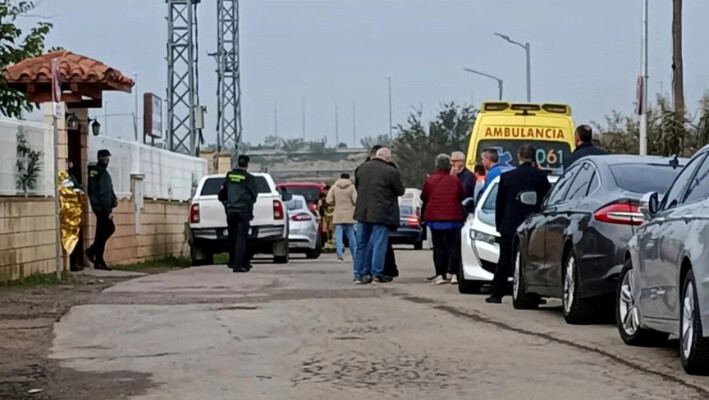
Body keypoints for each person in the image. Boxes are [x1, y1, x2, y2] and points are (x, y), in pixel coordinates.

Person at [488, 145, 552, 304]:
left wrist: (500, 226)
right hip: (533, 226)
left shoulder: (508, 177)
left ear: (519, 156)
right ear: (534, 157)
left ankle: (496, 294)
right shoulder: (541, 177)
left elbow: (500, 204)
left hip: (510, 225)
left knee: (504, 260)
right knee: (532, 260)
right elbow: (546, 202)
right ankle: (534, 294)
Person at [353, 147, 405, 284]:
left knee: (361, 244)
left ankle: (358, 274)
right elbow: (400, 191)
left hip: (363, 212)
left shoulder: (361, 168)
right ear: (387, 158)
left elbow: (357, 187)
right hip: (382, 213)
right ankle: (377, 273)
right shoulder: (391, 171)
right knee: (378, 244)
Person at [421, 154, 467, 285]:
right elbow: (462, 195)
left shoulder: (430, 180)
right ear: (449, 166)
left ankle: (440, 274)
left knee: (438, 247)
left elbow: (424, 196)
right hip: (453, 218)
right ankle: (454, 274)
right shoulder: (455, 180)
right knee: (454, 246)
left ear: (436, 165)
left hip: (435, 218)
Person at [218, 155, 258, 273]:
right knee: (241, 238)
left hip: (231, 212)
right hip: (243, 211)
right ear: (247, 164)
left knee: (232, 237)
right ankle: (239, 265)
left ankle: (234, 262)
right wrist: (248, 205)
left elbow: (222, 195)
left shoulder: (229, 176)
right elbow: (254, 195)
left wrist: (227, 204)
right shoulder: (249, 178)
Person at [86, 149, 117, 271]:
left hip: (98, 206)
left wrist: (113, 198)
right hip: (102, 207)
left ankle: (98, 258)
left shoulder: (95, 171)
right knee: (109, 229)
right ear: (101, 159)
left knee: (101, 232)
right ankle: (93, 252)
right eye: (106, 158)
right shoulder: (102, 173)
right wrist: (108, 209)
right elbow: (104, 192)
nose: (107, 160)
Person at [327, 173, 358, 262]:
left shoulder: (334, 187)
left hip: (338, 214)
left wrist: (335, 204)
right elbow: (355, 200)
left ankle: (339, 255)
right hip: (349, 214)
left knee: (338, 236)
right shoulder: (352, 187)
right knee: (352, 236)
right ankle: (355, 255)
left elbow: (329, 200)